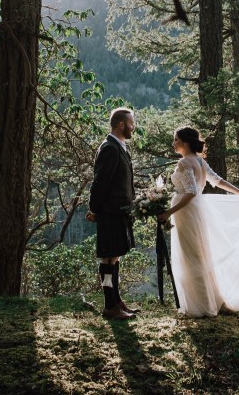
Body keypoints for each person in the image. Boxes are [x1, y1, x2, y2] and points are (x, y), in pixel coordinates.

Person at [157, 126, 239, 317]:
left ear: (185, 142)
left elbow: (190, 192)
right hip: (196, 211)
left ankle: (201, 306)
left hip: (186, 212)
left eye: (176, 140)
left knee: (192, 257)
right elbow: (219, 181)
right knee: (200, 255)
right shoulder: (199, 161)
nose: (173, 143)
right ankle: (211, 300)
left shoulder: (184, 163)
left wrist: (168, 212)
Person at [86, 108, 140, 321]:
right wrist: (95, 209)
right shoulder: (109, 148)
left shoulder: (120, 147)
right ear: (121, 125)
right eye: (131, 123)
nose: (133, 127)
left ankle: (116, 301)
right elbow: (99, 183)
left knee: (114, 258)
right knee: (107, 260)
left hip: (120, 213)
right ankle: (109, 305)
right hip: (110, 213)